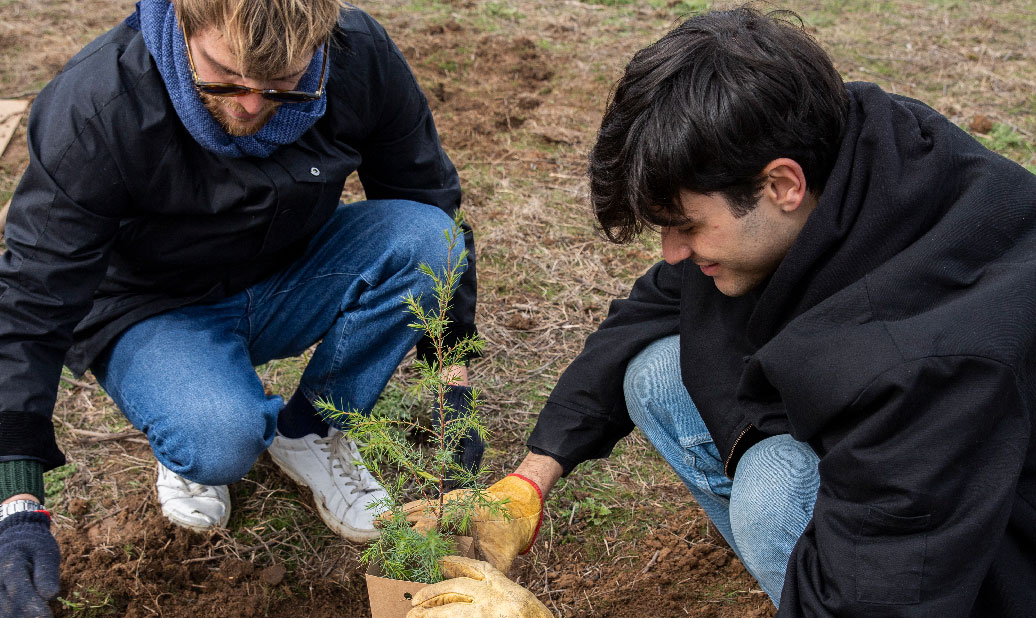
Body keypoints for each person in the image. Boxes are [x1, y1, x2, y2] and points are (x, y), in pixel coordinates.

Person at [403, 6, 1036, 618]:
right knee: (654, 373)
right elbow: (651, 306)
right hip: (924, 479)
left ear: (781, 185)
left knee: (772, 497)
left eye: (685, 226)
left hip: (982, 564)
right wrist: (527, 484)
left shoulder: (927, 361)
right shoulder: (840, 149)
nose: (672, 252)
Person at [0, 0, 484, 615]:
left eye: (283, 86)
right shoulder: (100, 105)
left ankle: (312, 430)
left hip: (288, 272)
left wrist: (453, 376)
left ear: (321, 41)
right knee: (220, 441)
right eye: (225, 78)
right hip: (152, 307)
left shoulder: (358, 55)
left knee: (429, 239)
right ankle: (188, 428)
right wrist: (16, 503)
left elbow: (426, 194)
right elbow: (30, 299)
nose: (253, 106)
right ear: (183, 23)